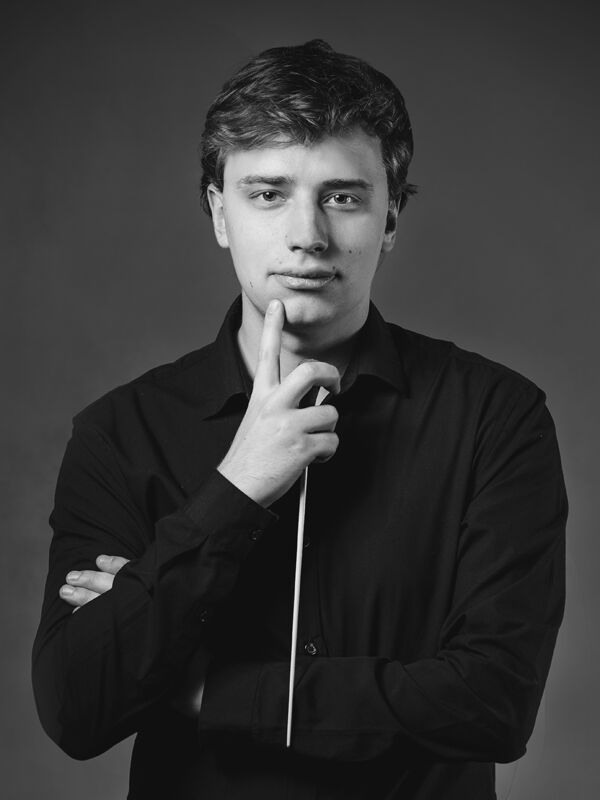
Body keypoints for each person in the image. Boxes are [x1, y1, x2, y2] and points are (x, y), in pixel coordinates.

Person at [32, 39, 567, 799]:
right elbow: (78, 708)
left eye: (343, 197)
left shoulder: (496, 417)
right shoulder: (120, 433)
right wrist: (236, 488)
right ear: (219, 213)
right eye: (267, 193)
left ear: (391, 217)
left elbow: (494, 703)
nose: (307, 235)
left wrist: (211, 691)